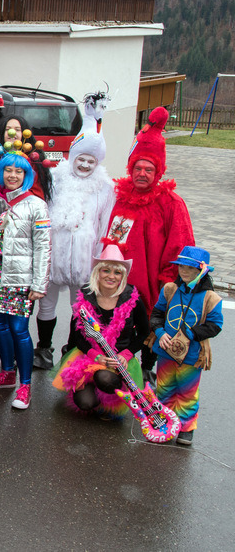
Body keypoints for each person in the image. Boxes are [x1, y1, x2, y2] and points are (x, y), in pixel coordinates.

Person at [105, 106, 195, 385]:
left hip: (155, 277)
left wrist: (170, 280)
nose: (142, 173)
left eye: (149, 169)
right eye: (137, 168)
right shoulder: (122, 199)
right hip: (123, 276)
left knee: (150, 320)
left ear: (158, 172)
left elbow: (181, 244)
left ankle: (148, 365)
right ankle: (121, 360)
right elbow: (114, 237)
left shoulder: (171, 203)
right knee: (125, 319)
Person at [35, 94, 114, 369]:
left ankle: (72, 349)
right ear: (74, 156)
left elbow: (104, 224)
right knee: (46, 304)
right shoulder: (55, 177)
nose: (85, 165)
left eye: (91, 161)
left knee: (79, 308)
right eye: (82, 158)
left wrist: (98, 257)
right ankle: (43, 349)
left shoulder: (105, 188)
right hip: (54, 253)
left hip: (84, 258)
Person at [0, 150, 51, 411]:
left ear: (27, 175)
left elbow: (43, 247)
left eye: (19, 171)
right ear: (1, 172)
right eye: (8, 170)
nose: (13, 175)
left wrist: (39, 284)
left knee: (19, 330)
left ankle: (25, 385)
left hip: (20, 279)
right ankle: (7, 374)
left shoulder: (36, 205)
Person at [53, 244, 148, 420]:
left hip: (118, 359)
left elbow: (144, 332)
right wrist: (96, 356)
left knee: (105, 379)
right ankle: (94, 394)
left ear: (122, 276)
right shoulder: (85, 295)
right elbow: (77, 334)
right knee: (85, 404)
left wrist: (126, 354)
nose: (111, 276)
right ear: (98, 272)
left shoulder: (132, 297)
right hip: (89, 357)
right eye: (106, 271)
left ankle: (110, 400)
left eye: (117, 272)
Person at [149, 246, 223, 446]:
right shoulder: (169, 289)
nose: (183, 270)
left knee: (187, 392)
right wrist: (160, 332)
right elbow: (156, 314)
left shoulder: (211, 299)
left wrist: (192, 333)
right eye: (181, 266)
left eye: (189, 267)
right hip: (166, 352)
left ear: (201, 271)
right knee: (164, 389)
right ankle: (164, 422)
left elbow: (215, 326)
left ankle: (186, 428)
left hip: (191, 356)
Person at [0, 115, 53, 203]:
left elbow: (37, 195)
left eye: (17, 130)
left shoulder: (33, 162)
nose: (12, 133)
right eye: (8, 129)